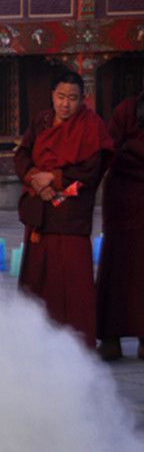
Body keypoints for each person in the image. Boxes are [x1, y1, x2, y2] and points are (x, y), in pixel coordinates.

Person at [14, 71, 112, 348]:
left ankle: (78, 344)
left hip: (70, 215)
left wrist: (54, 179)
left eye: (72, 98)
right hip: (40, 212)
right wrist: (36, 178)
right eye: (60, 97)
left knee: (72, 282)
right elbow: (22, 155)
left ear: (82, 99)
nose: (65, 104)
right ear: (52, 96)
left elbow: (91, 170)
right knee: (39, 278)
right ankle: (36, 340)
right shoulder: (42, 122)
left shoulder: (91, 126)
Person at [97, 82, 144, 360]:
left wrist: (131, 149)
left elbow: (124, 149)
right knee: (117, 269)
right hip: (123, 205)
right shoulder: (126, 110)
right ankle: (110, 338)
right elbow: (110, 150)